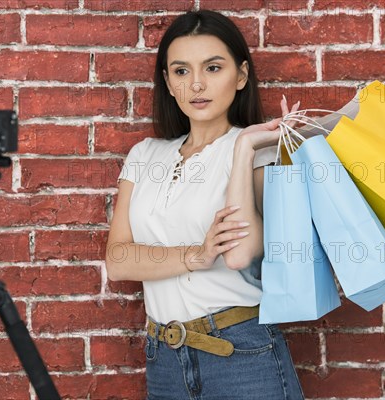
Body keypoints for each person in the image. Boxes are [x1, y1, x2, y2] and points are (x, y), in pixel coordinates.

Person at [106, 9, 306, 400]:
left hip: (241, 353)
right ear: (167, 81)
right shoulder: (145, 154)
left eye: (213, 68)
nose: (196, 84)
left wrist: (246, 145)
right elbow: (118, 260)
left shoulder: (257, 150)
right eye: (181, 71)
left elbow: (241, 254)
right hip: (164, 355)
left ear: (242, 75)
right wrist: (196, 255)